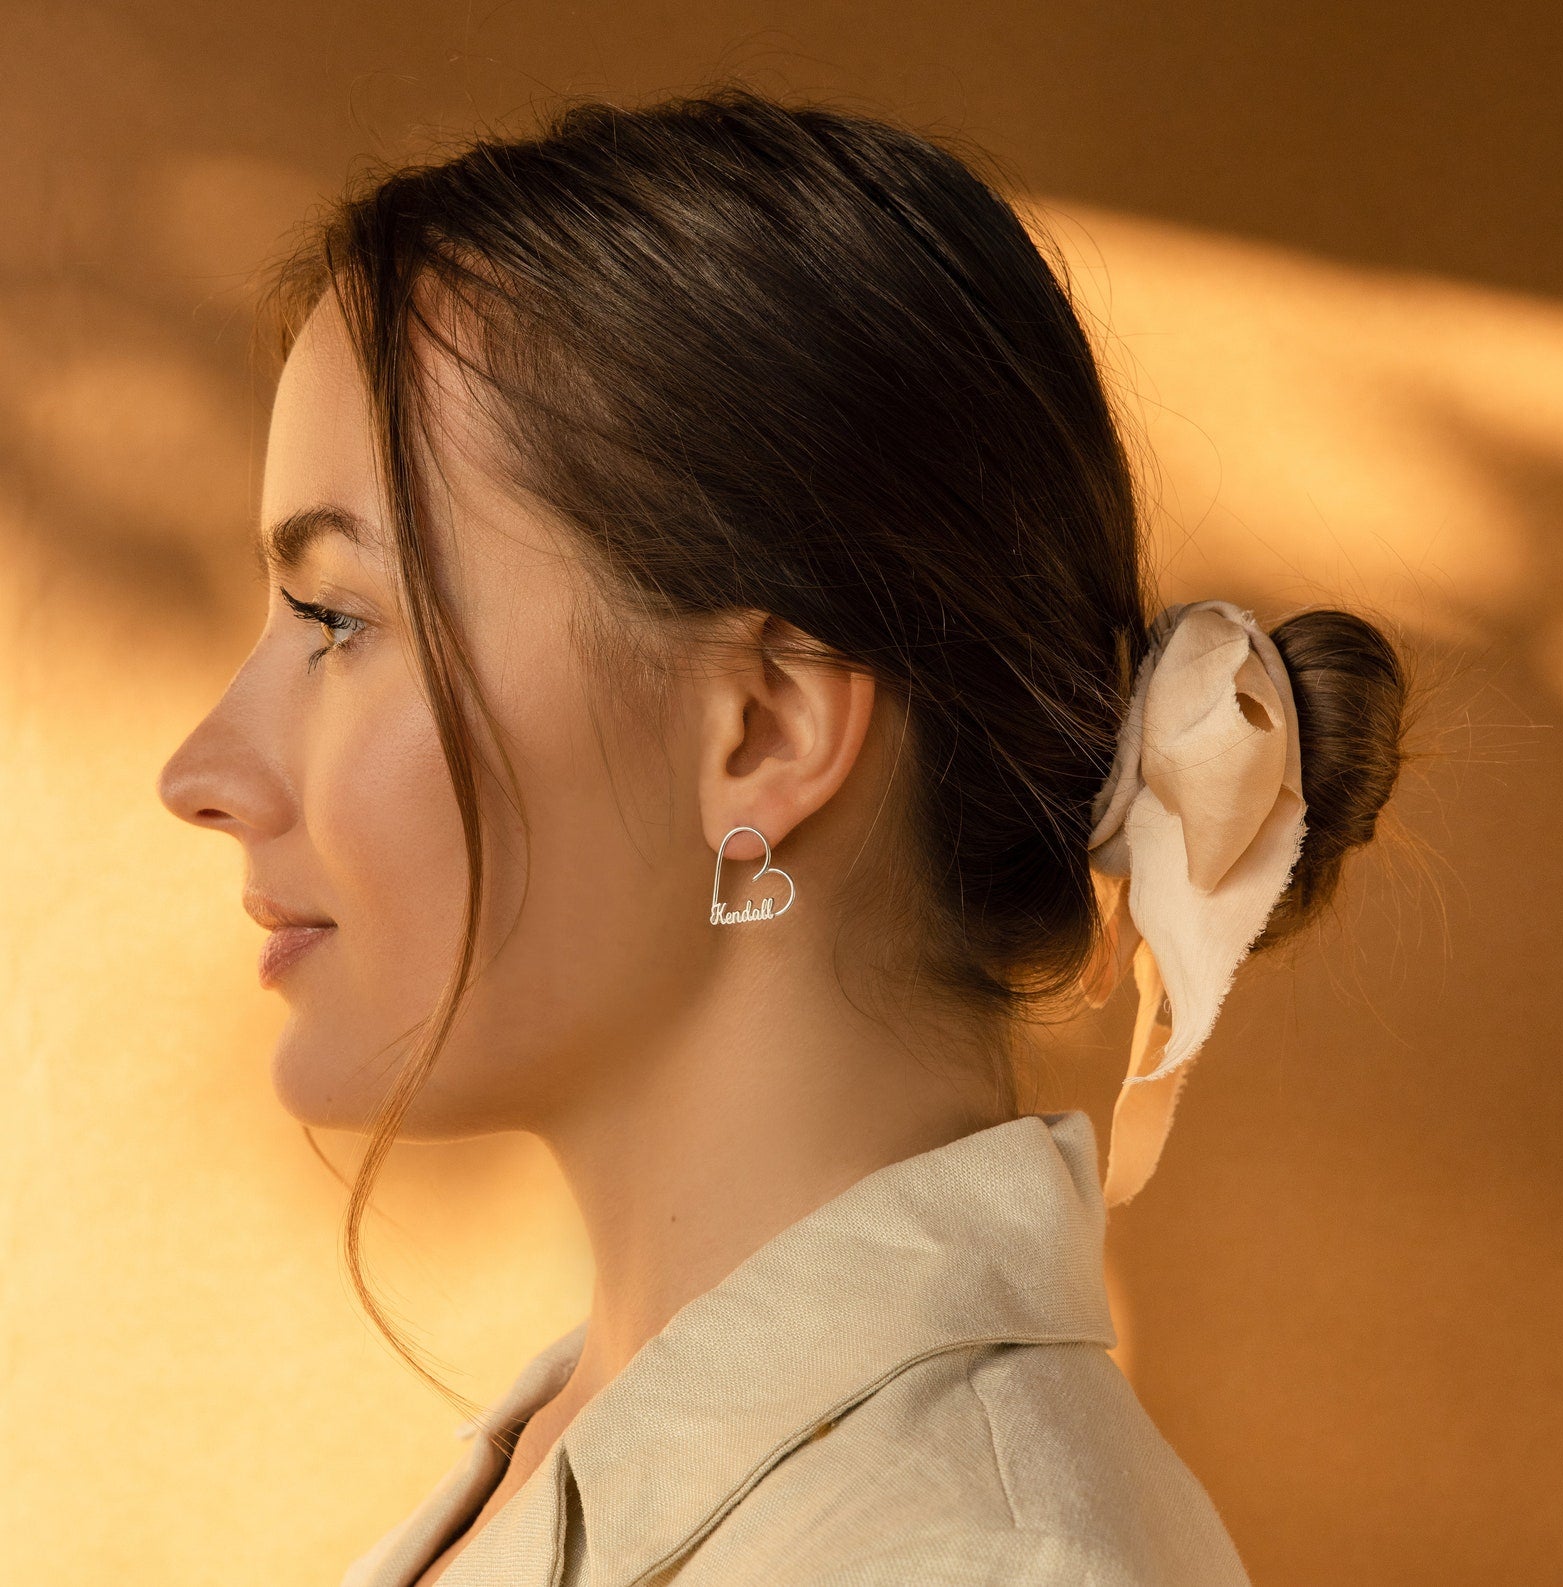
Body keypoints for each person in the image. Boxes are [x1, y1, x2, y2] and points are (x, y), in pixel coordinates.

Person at [156, 86, 1411, 1586]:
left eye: (337, 620)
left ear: (761, 732)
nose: (202, 769)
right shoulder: (593, 1456)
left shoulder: (971, 1560)